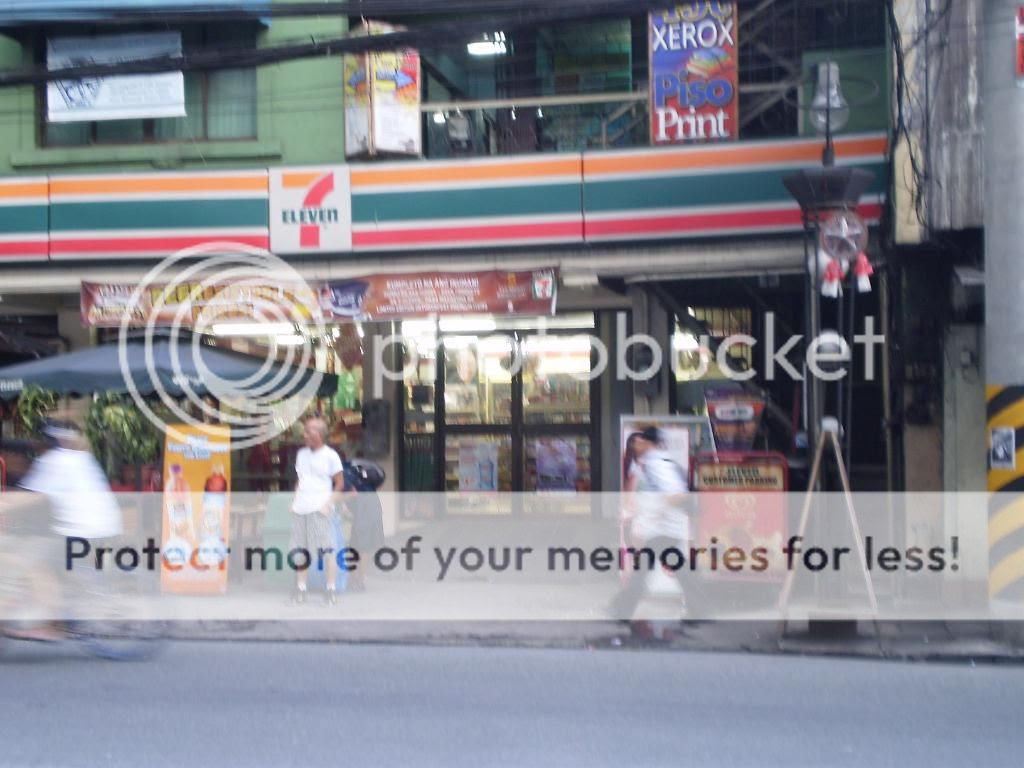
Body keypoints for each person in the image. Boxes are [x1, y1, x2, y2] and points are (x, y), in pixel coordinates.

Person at [7, 418, 123, 641]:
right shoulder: (80, 457)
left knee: (39, 565)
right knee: (62, 568)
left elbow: (27, 497)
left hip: (82, 529)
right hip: (105, 525)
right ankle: (71, 607)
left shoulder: (53, 462)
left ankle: (52, 627)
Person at [608, 426, 703, 624]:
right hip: (666, 529)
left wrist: (657, 514)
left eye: (641, 441)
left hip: (662, 529)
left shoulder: (656, 464)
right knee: (677, 570)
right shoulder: (658, 461)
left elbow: (677, 495)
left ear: (648, 443)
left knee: (642, 570)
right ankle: (701, 610)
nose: (637, 444)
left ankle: (621, 609)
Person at [289, 417, 351, 605]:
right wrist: (294, 500)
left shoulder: (331, 456)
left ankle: (330, 589)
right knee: (301, 549)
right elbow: (301, 479)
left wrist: (328, 504)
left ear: (319, 434)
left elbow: (340, 483)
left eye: (308, 431)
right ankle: (301, 589)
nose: (304, 434)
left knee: (327, 550)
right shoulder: (301, 454)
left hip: (320, 508)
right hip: (301, 508)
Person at [341, 456, 385, 592]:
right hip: (371, 505)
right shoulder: (349, 469)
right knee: (360, 544)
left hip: (364, 508)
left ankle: (358, 580)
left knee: (362, 545)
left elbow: (351, 493)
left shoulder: (343, 473)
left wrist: (339, 503)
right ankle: (356, 579)